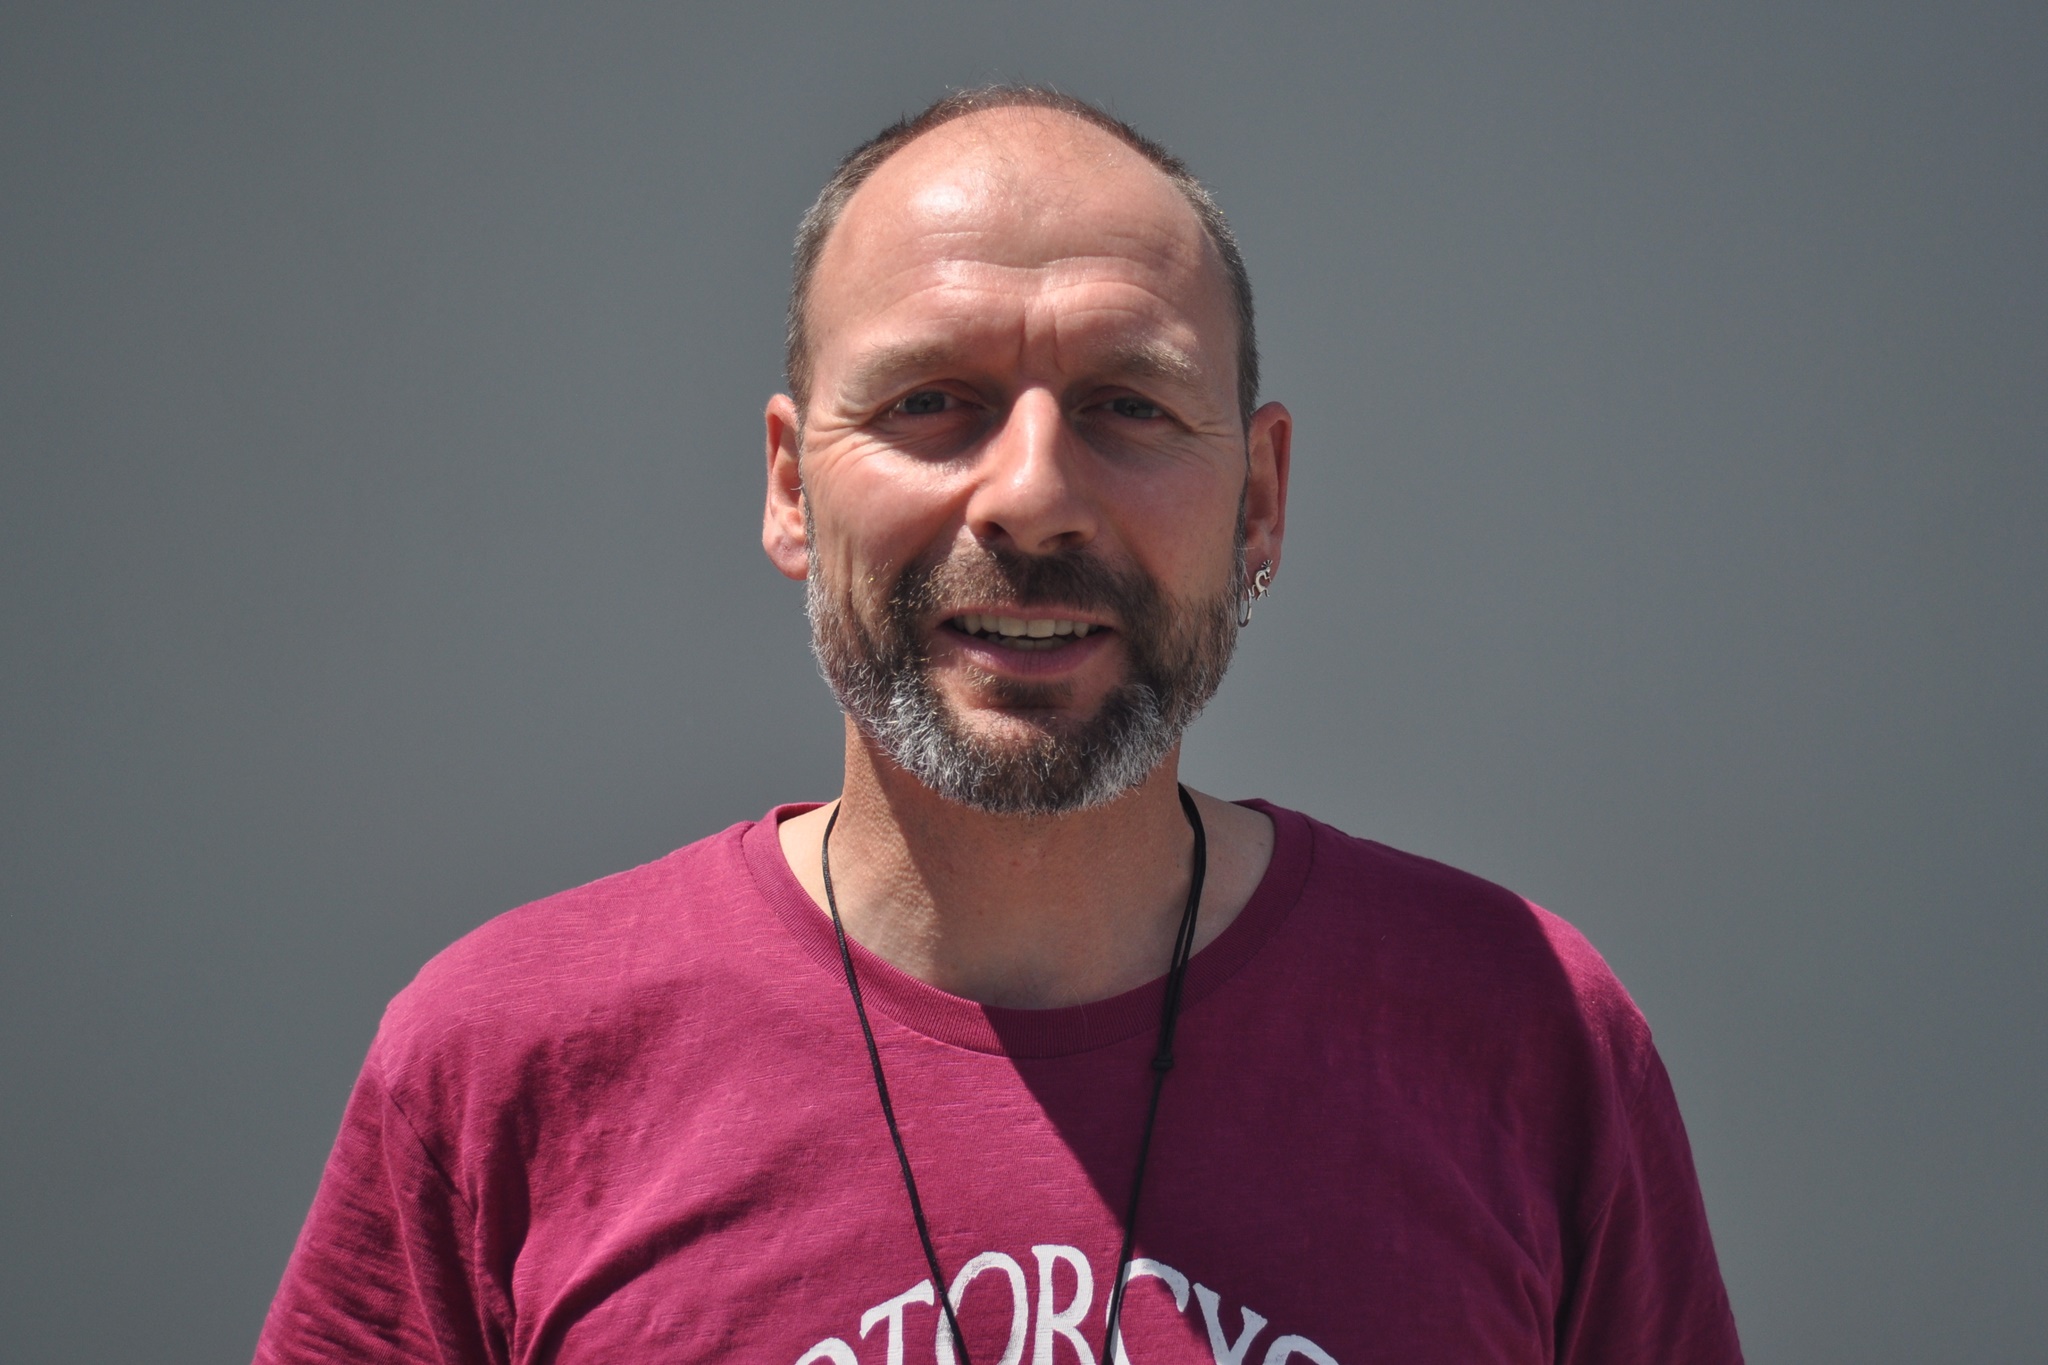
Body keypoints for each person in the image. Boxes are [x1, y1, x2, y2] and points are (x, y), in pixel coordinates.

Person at [255, 87, 1743, 1365]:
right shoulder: (507, 1061)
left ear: (1260, 500)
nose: (1032, 494)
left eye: (1129, 405)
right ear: (792, 484)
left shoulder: (1523, 1034)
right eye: (931, 400)